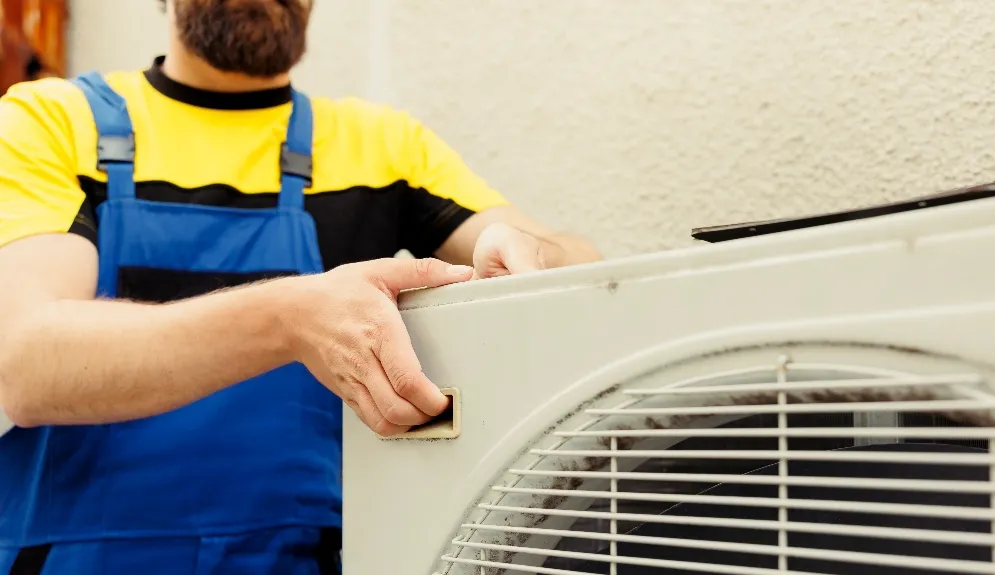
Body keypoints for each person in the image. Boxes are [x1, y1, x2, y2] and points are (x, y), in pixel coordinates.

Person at [0, 0, 601, 572]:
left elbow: (582, 264)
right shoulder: (50, 123)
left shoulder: (383, 147)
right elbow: (25, 363)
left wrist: (534, 259)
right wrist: (289, 317)